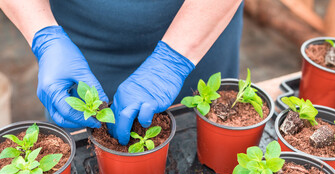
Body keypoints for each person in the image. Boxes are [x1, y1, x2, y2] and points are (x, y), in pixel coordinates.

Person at [0, 0, 244, 145]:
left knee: (201, 141)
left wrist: (174, 60)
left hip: (199, 33)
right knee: (83, 143)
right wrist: (44, 35)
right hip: (78, 45)